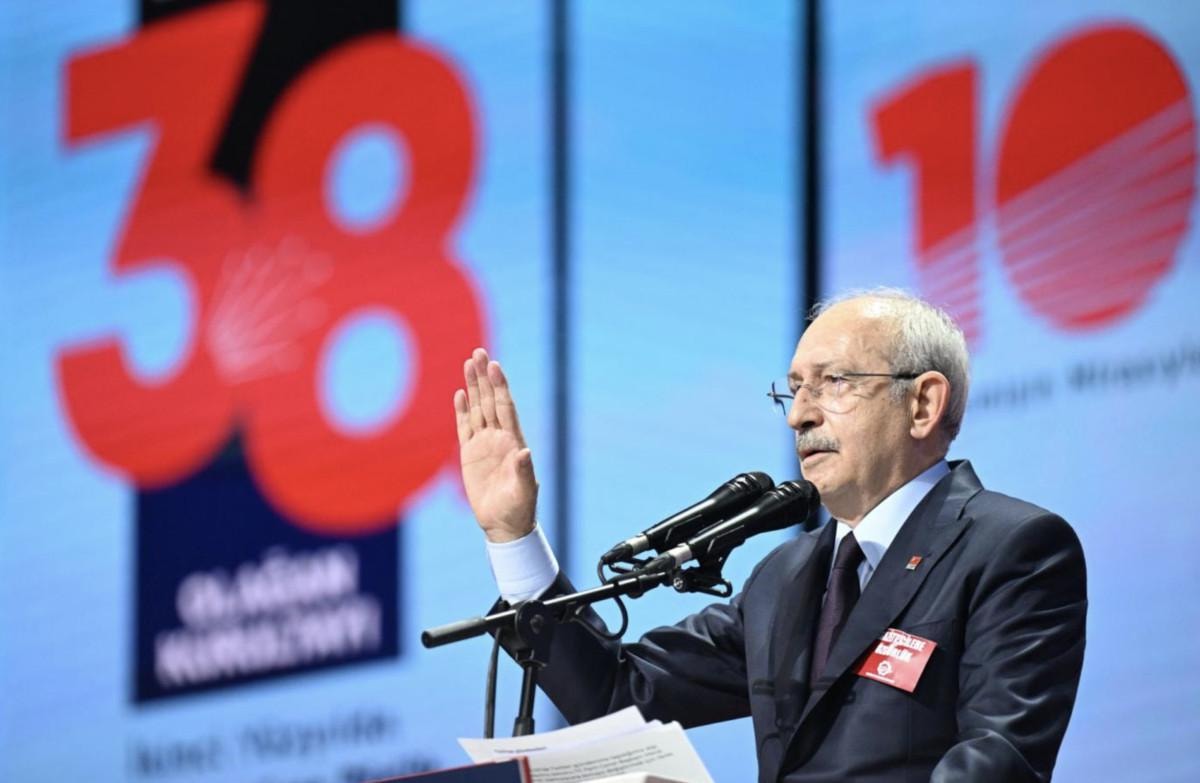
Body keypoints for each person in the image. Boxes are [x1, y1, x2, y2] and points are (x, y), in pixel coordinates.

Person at [452, 289, 1087, 782]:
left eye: (834, 383)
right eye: (795, 388)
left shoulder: (1013, 548)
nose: (798, 415)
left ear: (922, 404)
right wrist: (513, 533)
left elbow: (996, 763)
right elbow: (618, 694)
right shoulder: (784, 577)